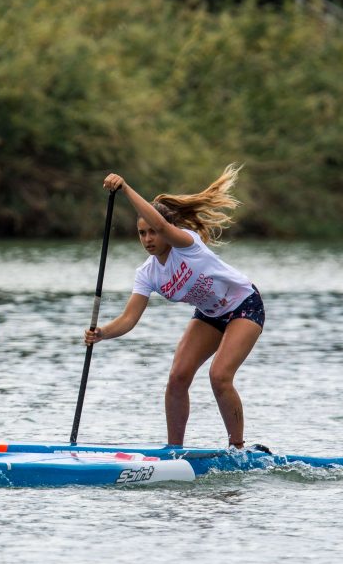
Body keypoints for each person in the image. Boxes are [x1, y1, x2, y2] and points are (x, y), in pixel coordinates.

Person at [84, 166, 265, 449]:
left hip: (244, 305)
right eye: (141, 234)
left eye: (152, 232)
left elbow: (164, 225)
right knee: (177, 377)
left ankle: (238, 449)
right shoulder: (147, 273)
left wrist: (126, 188)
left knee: (219, 376)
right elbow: (129, 318)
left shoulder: (186, 243)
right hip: (210, 314)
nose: (147, 240)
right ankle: (173, 450)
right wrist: (102, 333)